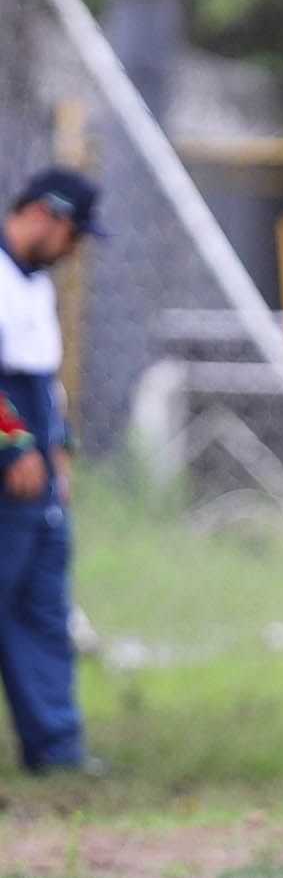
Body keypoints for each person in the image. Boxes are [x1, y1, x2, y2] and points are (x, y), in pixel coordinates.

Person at [0, 168, 106, 775]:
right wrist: (13, 447)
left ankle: (56, 747)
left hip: (39, 489)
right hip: (10, 476)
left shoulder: (34, 284)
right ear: (43, 213)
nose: (75, 249)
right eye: (73, 233)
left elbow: (43, 383)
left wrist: (57, 449)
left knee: (42, 610)